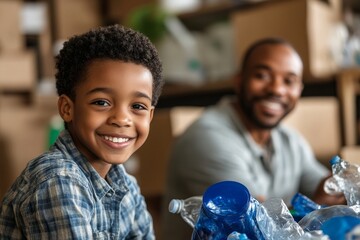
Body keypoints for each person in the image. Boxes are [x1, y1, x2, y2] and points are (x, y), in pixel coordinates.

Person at [161, 37, 345, 240]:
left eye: (289, 81)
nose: (276, 89)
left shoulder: (289, 140)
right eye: (262, 75)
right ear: (239, 81)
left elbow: (326, 189)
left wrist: (341, 186)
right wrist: (317, 210)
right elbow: (257, 226)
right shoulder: (206, 140)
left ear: (299, 90)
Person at [0, 24, 164, 239]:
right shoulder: (57, 181)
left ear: (150, 116)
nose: (122, 119)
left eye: (138, 107)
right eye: (102, 102)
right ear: (67, 108)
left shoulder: (125, 185)